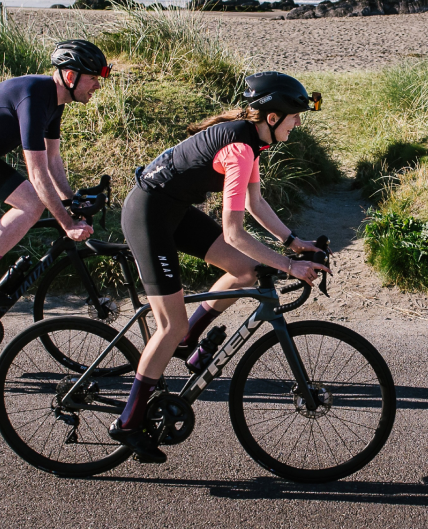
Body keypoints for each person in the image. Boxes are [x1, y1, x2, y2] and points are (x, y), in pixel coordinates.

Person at [110, 71, 329, 462]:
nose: (298, 124)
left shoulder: (252, 141)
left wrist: (294, 243)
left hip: (172, 210)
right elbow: (234, 234)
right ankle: (128, 421)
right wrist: (288, 265)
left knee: (245, 271)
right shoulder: (241, 149)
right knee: (169, 323)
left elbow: (255, 204)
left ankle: (188, 338)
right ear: (273, 117)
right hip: (148, 216)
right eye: (295, 117)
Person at [0, 39, 109, 310]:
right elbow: (37, 174)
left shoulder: (55, 102)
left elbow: (52, 158)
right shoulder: (35, 97)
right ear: (70, 76)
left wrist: (70, 201)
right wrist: (67, 224)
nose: (97, 85)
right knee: (32, 203)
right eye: (93, 78)